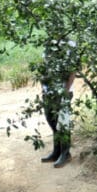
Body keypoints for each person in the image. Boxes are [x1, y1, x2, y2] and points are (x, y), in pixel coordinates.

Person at [39, 39, 78, 168]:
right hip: (48, 91)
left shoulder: (69, 45)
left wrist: (65, 91)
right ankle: (57, 151)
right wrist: (43, 89)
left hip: (62, 91)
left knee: (63, 122)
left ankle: (65, 153)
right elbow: (44, 67)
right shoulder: (48, 44)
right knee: (52, 120)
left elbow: (72, 70)